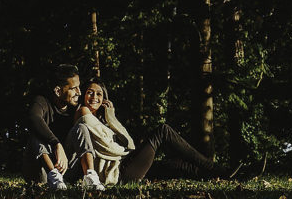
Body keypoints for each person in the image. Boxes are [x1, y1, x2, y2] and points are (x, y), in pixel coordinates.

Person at [72, 77, 232, 186]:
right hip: (117, 174)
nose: (94, 97)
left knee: (176, 165)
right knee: (163, 131)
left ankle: (226, 175)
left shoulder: (103, 119)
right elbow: (114, 148)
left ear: (104, 98)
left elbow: (130, 143)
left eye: (99, 93)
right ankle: (217, 169)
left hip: (124, 166)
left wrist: (112, 118)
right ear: (84, 95)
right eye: (90, 92)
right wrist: (126, 150)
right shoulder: (83, 113)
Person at [22, 64, 100, 191]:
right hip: (41, 172)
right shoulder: (42, 101)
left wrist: (109, 113)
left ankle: (90, 176)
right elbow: (33, 118)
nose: (79, 92)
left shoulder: (76, 108)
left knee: (81, 128)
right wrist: (56, 144)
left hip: (66, 171)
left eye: (79, 87)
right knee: (36, 132)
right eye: (74, 88)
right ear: (58, 91)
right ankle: (54, 177)